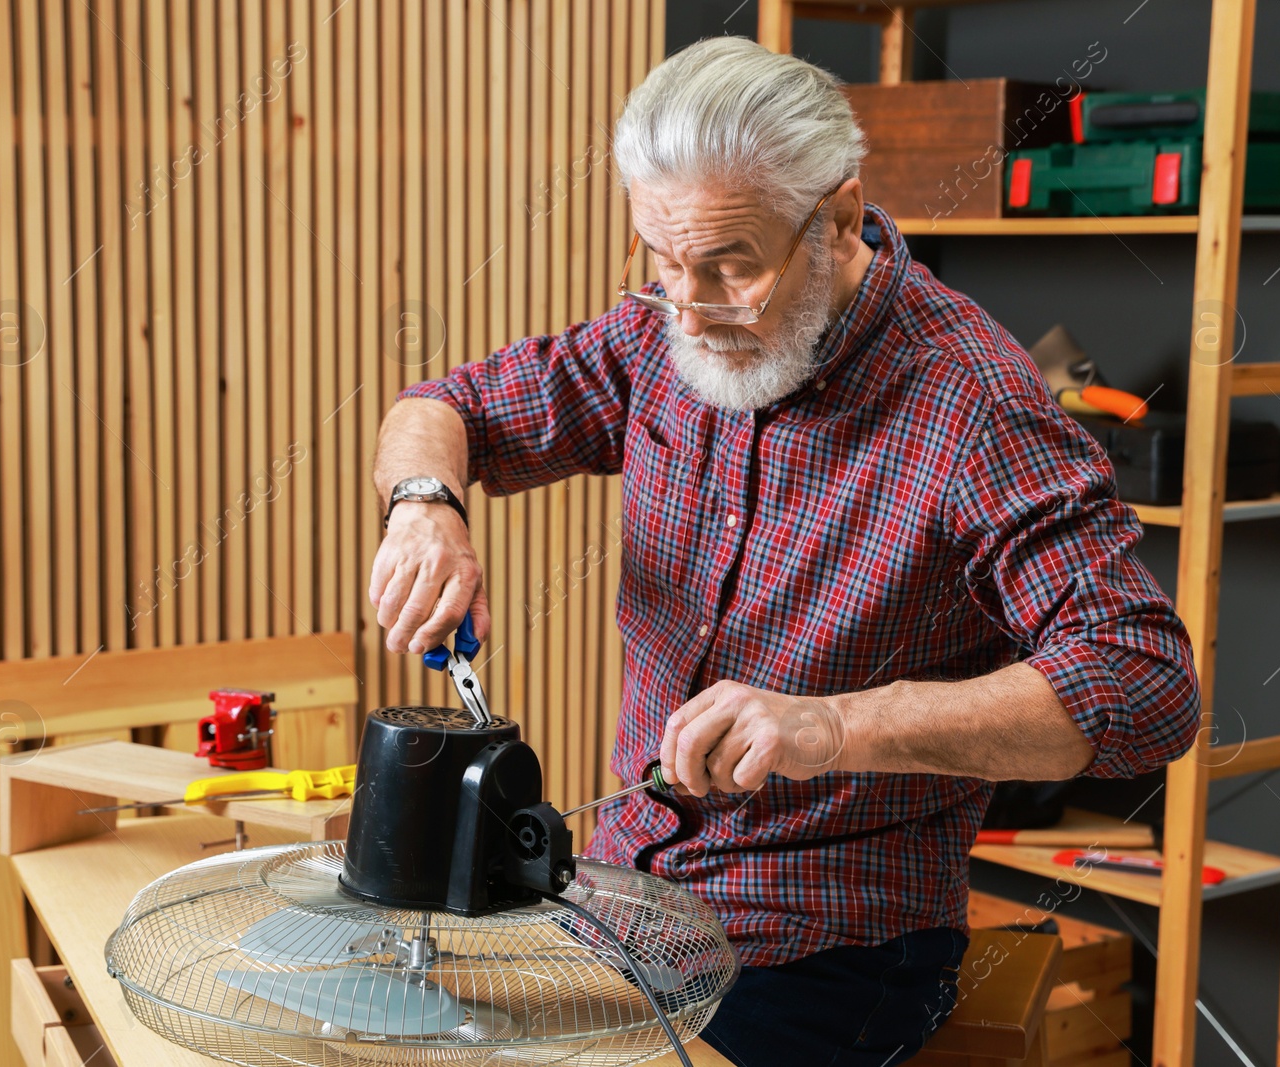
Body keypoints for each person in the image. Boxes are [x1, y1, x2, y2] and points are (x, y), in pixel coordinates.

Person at [369, 36, 1200, 1066]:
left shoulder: (969, 400)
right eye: (663, 263)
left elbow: (1144, 682)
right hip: (624, 900)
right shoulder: (661, 335)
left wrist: (831, 727)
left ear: (840, 216)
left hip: (831, 944)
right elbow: (443, 404)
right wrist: (423, 506)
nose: (689, 306)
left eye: (730, 267)